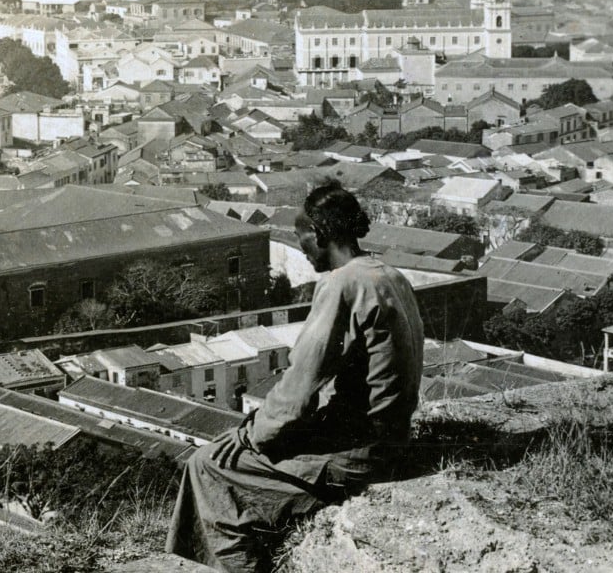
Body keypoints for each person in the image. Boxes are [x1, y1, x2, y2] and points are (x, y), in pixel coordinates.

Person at [166, 183, 425, 573]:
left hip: (358, 453)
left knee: (206, 466)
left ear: (320, 235)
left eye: (303, 242)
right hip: (390, 438)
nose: (303, 252)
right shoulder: (390, 275)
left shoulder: (342, 283)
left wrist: (249, 436)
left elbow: (300, 385)